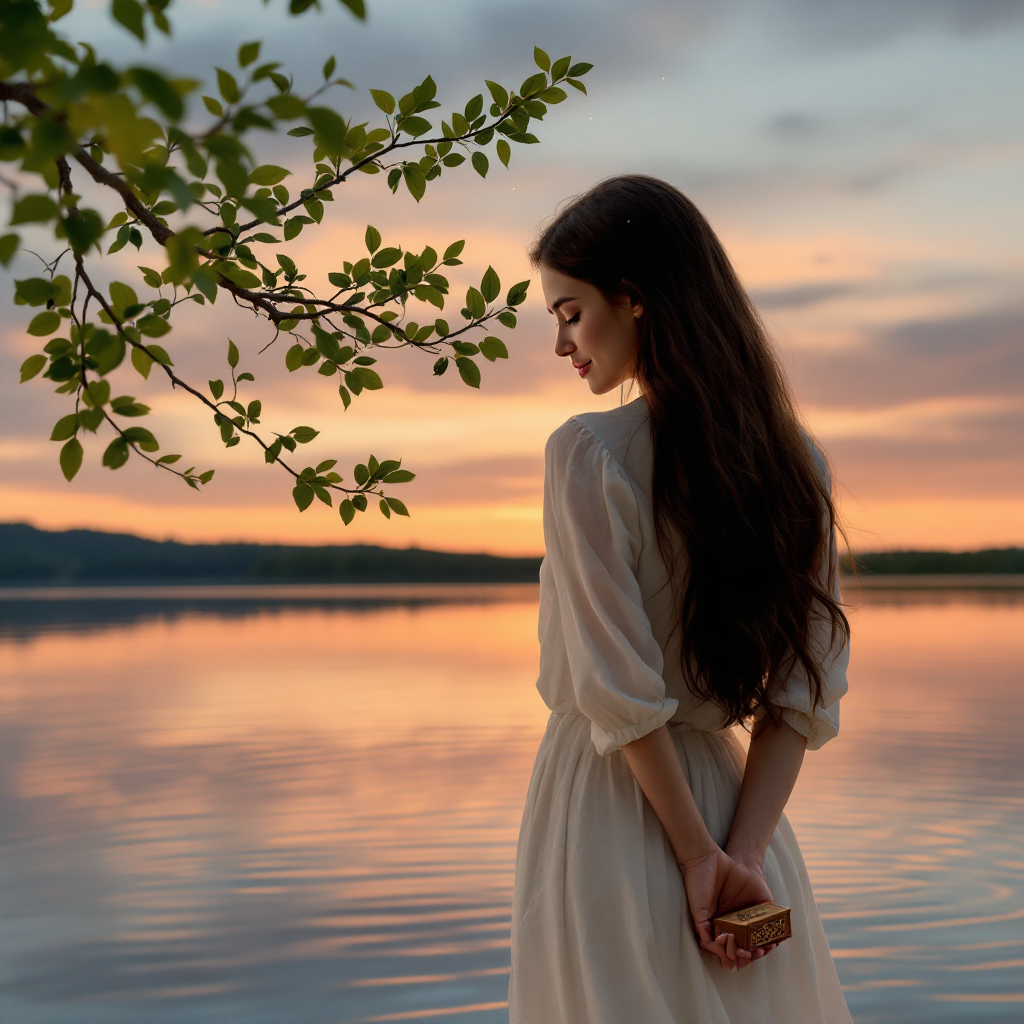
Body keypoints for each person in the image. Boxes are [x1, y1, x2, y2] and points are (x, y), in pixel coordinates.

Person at [509, 175, 853, 1023]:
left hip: (609, 807)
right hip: (740, 813)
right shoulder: (795, 463)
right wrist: (740, 852)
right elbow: (801, 694)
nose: (561, 344)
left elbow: (620, 697)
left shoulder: (589, 454)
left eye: (568, 311)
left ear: (633, 299)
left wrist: (697, 858)